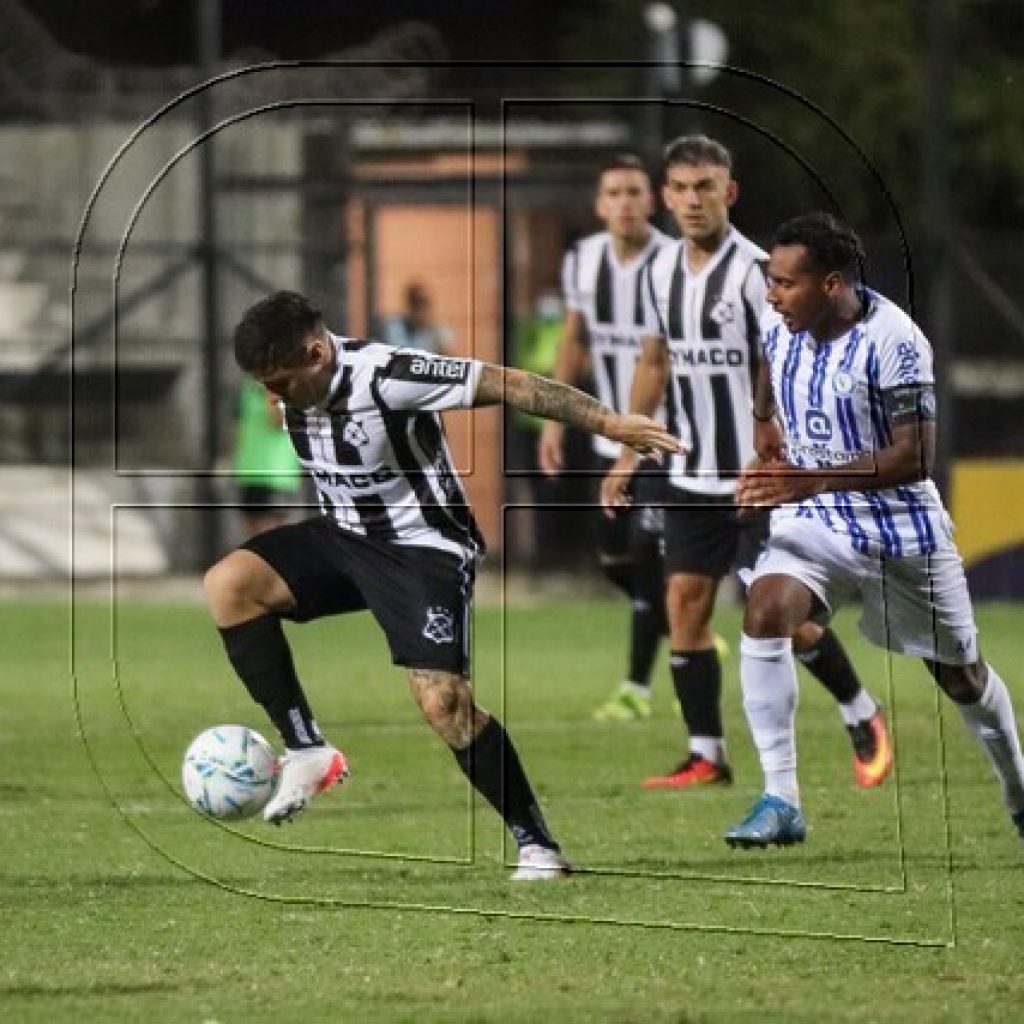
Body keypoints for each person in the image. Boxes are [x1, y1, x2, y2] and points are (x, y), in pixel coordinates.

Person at [202, 290, 680, 880]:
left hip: (422, 549)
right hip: (344, 538)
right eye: (263, 385)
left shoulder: (391, 375)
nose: (272, 399)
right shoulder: (292, 387)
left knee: (444, 704)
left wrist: (609, 423)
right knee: (229, 585)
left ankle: (539, 847)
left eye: (279, 382)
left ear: (316, 351)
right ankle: (307, 749)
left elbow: (511, 383)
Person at [724, 211, 1024, 847]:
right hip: (817, 520)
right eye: (769, 281)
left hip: (902, 531)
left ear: (831, 283)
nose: (772, 295)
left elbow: (915, 457)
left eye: (786, 283)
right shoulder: (782, 324)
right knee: (766, 607)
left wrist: (809, 478)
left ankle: (1017, 786)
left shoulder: (896, 340)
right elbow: (766, 366)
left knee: (961, 677)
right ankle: (782, 799)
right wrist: (767, 435)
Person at [602, 135, 890, 790]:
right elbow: (655, 360)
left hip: (760, 477)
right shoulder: (657, 271)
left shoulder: (761, 272)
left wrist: (788, 441)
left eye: (705, 186)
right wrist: (627, 449)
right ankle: (708, 753)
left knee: (784, 616)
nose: (692, 200)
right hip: (688, 471)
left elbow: (795, 360)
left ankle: (860, 710)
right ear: (665, 196)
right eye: (679, 188)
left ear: (728, 191)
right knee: (685, 603)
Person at [538, 153, 675, 722]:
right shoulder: (585, 261)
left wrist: (634, 444)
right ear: (599, 205)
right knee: (612, 556)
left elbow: (662, 361)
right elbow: (573, 343)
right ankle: (681, 624)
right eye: (613, 192)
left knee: (645, 558)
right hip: (607, 436)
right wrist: (553, 418)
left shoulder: (671, 263)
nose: (624, 202)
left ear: (652, 200)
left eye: (634, 191)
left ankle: (635, 690)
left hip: (667, 437)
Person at [232, 376, 303, 538]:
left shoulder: (284, 391)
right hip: (249, 473)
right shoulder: (248, 391)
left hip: (277, 475)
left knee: (273, 532)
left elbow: (278, 422)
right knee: (253, 533)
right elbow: (238, 431)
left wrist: (271, 390)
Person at [378, 281, 454, 356]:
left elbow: (449, 360)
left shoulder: (439, 332)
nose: (421, 310)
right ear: (410, 305)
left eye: (425, 303)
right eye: (417, 304)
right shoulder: (394, 328)